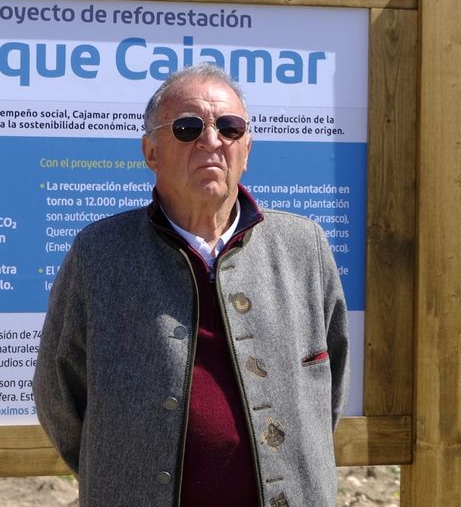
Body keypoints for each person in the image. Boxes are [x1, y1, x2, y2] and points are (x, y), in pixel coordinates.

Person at [34, 63, 348, 507]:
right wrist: (118, 474)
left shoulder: (304, 246)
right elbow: (58, 392)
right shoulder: (98, 252)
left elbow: (328, 383)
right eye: (187, 128)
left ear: (247, 148)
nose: (212, 140)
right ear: (150, 152)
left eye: (229, 127)